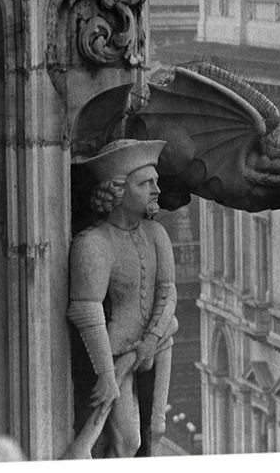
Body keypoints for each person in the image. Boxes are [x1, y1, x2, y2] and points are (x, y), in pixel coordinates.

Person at [68, 139, 178, 457]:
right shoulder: (94, 243)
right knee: (128, 442)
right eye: (146, 183)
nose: (156, 190)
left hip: (161, 342)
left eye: (156, 182)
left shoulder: (156, 234)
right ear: (118, 190)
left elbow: (167, 292)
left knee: (157, 428)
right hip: (118, 353)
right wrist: (106, 374)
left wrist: (153, 337)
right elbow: (86, 311)